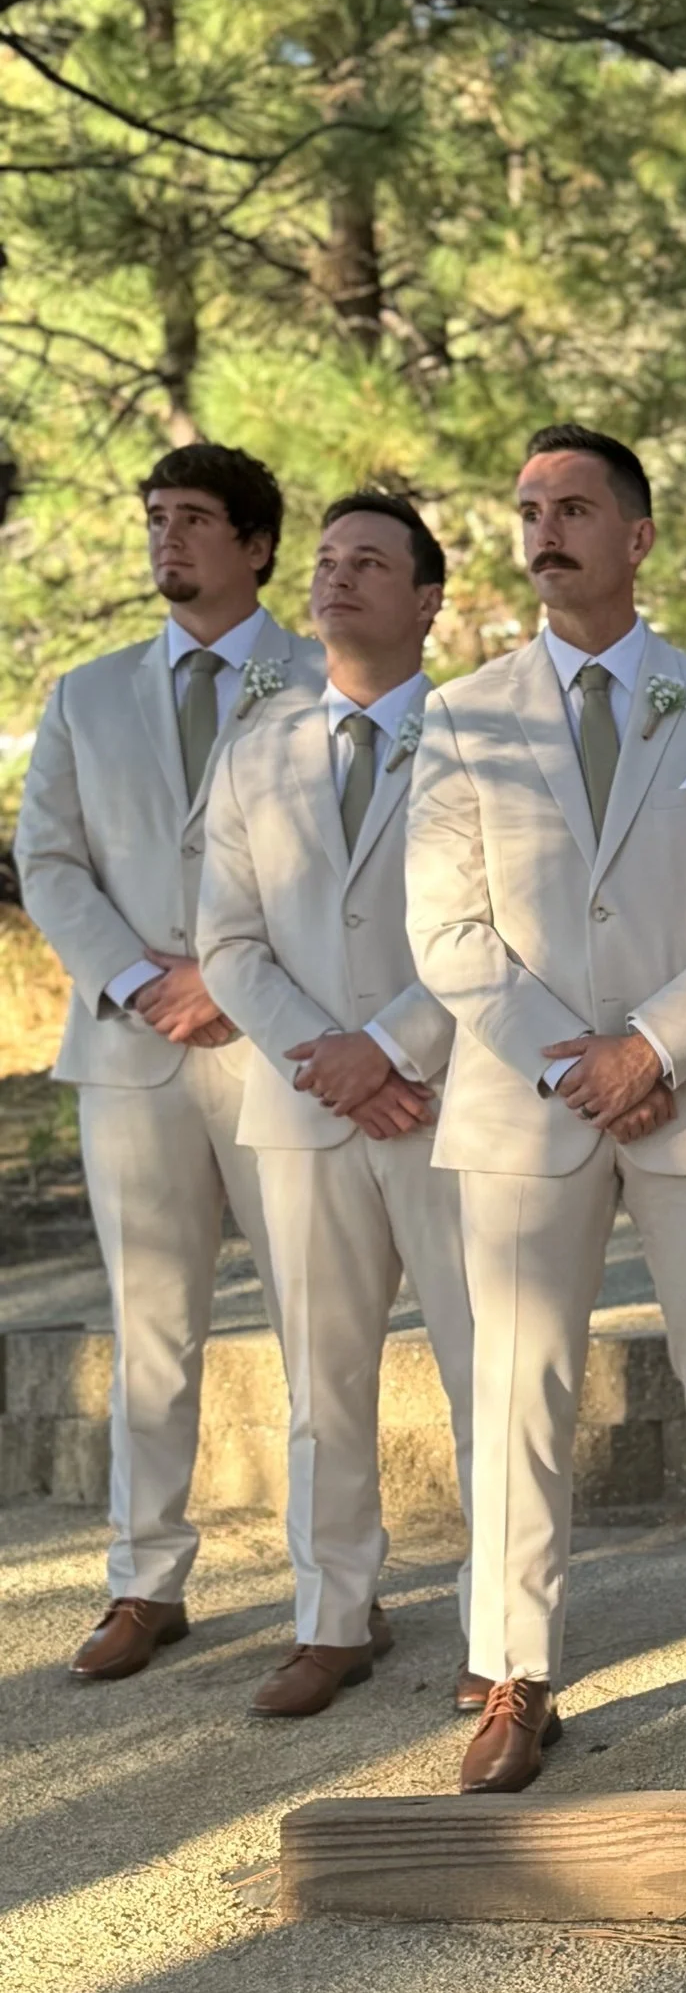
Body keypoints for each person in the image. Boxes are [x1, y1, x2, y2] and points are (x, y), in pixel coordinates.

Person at [403, 424, 686, 1789]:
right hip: (527, 1107)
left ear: (637, 537)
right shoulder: (461, 714)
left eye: (575, 506)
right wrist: (568, 1058)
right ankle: (516, 1670)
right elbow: (447, 930)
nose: (546, 527)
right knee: (517, 1386)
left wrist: (656, 1046)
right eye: (528, 507)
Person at [17, 446, 304, 1680]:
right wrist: (140, 978)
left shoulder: (328, 678)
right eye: (153, 518)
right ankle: (144, 1583)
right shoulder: (86, 694)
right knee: (152, 1325)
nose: (165, 539)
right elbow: (50, 864)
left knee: (320, 1319)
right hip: (132, 1048)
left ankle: (333, 1590)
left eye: (192, 519)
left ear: (255, 545)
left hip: (280, 1044)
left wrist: (230, 982)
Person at [197, 493, 481, 1720]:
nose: (337, 577)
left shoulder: (479, 735)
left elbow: (500, 919)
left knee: (489, 1365)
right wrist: (328, 1054)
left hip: (447, 1097)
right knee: (323, 1378)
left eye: (371, 561)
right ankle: (332, 1614)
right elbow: (228, 938)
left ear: (427, 600)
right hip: (308, 1104)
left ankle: (502, 1626)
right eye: (325, 560)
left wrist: (393, 1047)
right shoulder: (255, 745)